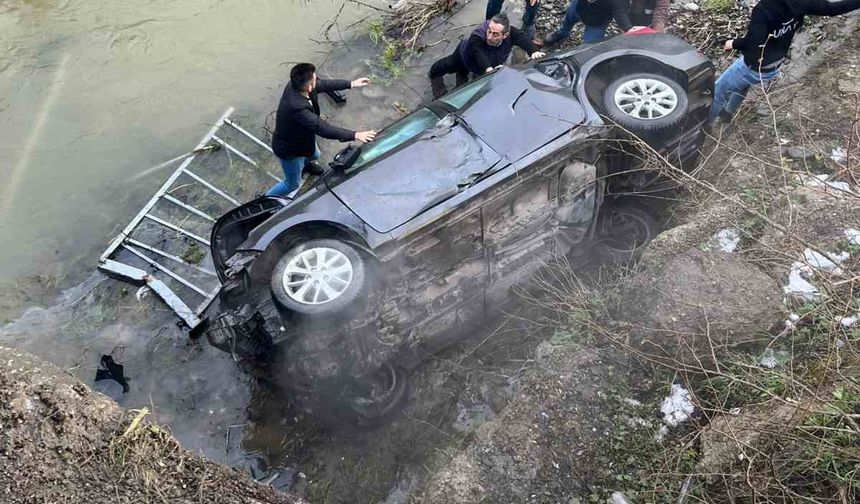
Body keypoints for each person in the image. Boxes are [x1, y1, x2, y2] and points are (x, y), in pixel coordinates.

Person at [710, 0, 860, 124]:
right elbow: (833, 9)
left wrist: (734, 43)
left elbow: (753, 44)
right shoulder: (800, 2)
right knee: (742, 85)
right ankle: (727, 113)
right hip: (774, 66)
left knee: (718, 91)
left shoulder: (763, 9)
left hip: (754, 67)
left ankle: (703, 129)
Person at [267, 63, 377, 198]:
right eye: (314, 79)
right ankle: (265, 200)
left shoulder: (299, 86)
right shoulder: (297, 107)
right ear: (309, 87)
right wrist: (355, 135)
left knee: (315, 155)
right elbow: (322, 128)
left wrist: (351, 83)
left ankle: (306, 166)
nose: (317, 80)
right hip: (289, 149)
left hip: (303, 138)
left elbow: (324, 85)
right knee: (292, 184)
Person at [428, 14, 546, 98]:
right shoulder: (477, 36)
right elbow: (478, 54)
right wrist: (489, 70)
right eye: (489, 31)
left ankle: (462, 75)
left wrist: (533, 51)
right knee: (450, 65)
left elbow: (522, 38)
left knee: (466, 85)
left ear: (505, 35)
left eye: (495, 34)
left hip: (488, 64)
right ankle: (434, 74)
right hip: (466, 55)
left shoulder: (512, 34)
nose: (489, 37)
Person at [540, 0, 663, 46]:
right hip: (578, 9)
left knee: (590, 46)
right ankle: (561, 33)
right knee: (567, 21)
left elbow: (621, 15)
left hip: (597, 23)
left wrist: (629, 30)